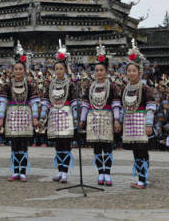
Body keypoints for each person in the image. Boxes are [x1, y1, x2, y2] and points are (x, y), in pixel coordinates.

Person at [79, 43, 121, 186]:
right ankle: (100, 172)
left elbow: (115, 104)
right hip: (93, 120)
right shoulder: (90, 87)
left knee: (107, 147)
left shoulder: (112, 86)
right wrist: (82, 120)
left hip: (107, 119)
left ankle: (107, 173)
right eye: (96, 70)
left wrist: (116, 120)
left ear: (106, 71)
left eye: (101, 70)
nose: (98, 73)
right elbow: (85, 105)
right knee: (97, 148)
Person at [0, 41, 39, 182]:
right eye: (15, 69)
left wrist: (35, 117)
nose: (18, 71)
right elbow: (3, 103)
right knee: (14, 145)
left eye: (20, 69)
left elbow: (34, 103)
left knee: (23, 144)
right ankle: (15, 170)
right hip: (12, 117)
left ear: (25, 71)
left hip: (25, 117)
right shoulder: (7, 85)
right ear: (12, 71)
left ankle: (23, 171)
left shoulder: (30, 86)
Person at [121, 39, 156, 189]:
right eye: (129, 71)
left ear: (139, 72)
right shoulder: (126, 88)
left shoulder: (145, 88)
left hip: (141, 122)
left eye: (134, 71)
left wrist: (149, 124)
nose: (131, 73)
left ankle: (143, 179)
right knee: (136, 151)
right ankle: (140, 178)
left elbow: (150, 107)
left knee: (142, 151)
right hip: (130, 123)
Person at [47, 40, 76, 184]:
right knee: (58, 145)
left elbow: (75, 101)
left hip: (66, 115)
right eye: (56, 69)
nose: (58, 71)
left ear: (65, 70)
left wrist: (76, 118)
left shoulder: (70, 84)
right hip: (55, 115)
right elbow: (48, 100)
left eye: (61, 69)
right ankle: (60, 170)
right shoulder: (51, 84)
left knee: (66, 145)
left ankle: (65, 172)